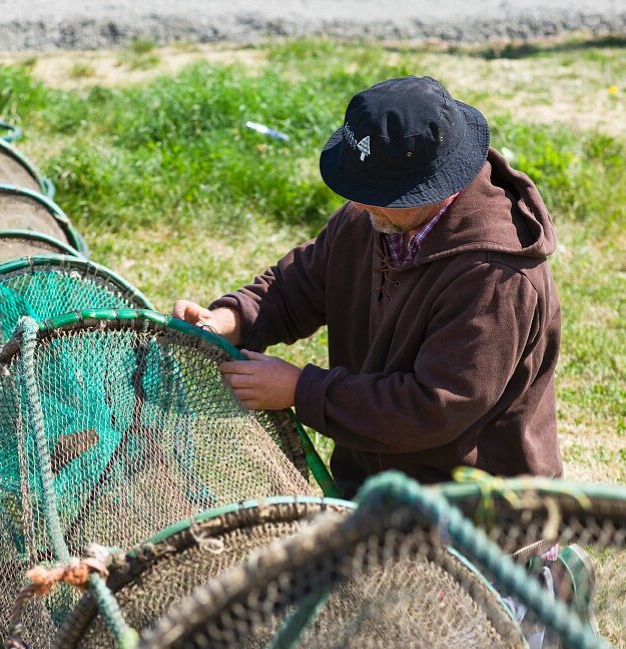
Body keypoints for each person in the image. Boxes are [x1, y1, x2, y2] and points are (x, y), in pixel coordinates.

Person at [174, 74, 563, 498]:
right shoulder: (375, 218)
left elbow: (432, 407)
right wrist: (231, 318)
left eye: (378, 192)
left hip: (474, 508)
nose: (357, 203)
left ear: (433, 186)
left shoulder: (495, 278)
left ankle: (536, 565)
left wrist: (300, 389)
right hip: (374, 487)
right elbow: (297, 287)